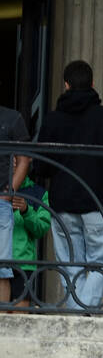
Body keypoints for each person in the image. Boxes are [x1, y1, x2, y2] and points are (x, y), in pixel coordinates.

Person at [38, 60, 103, 311]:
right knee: (101, 261)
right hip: (97, 202)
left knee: (69, 263)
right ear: (93, 84)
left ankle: (78, 311)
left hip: (62, 203)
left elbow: (41, 166)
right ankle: (84, 310)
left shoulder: (53, 120)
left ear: (65, 85)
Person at [8, 157, 51, 307]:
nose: (13, 161)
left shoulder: (38, 193)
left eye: (17, 157)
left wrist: (27, 211)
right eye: (9, 156)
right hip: (2, 261)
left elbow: (41, 229)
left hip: (24, 264)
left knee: (20, 316)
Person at [0, 102, 30, 306]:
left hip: (0, 202)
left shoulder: (12, 118)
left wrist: (8, 193)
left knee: (1, 269)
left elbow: (24, 159)